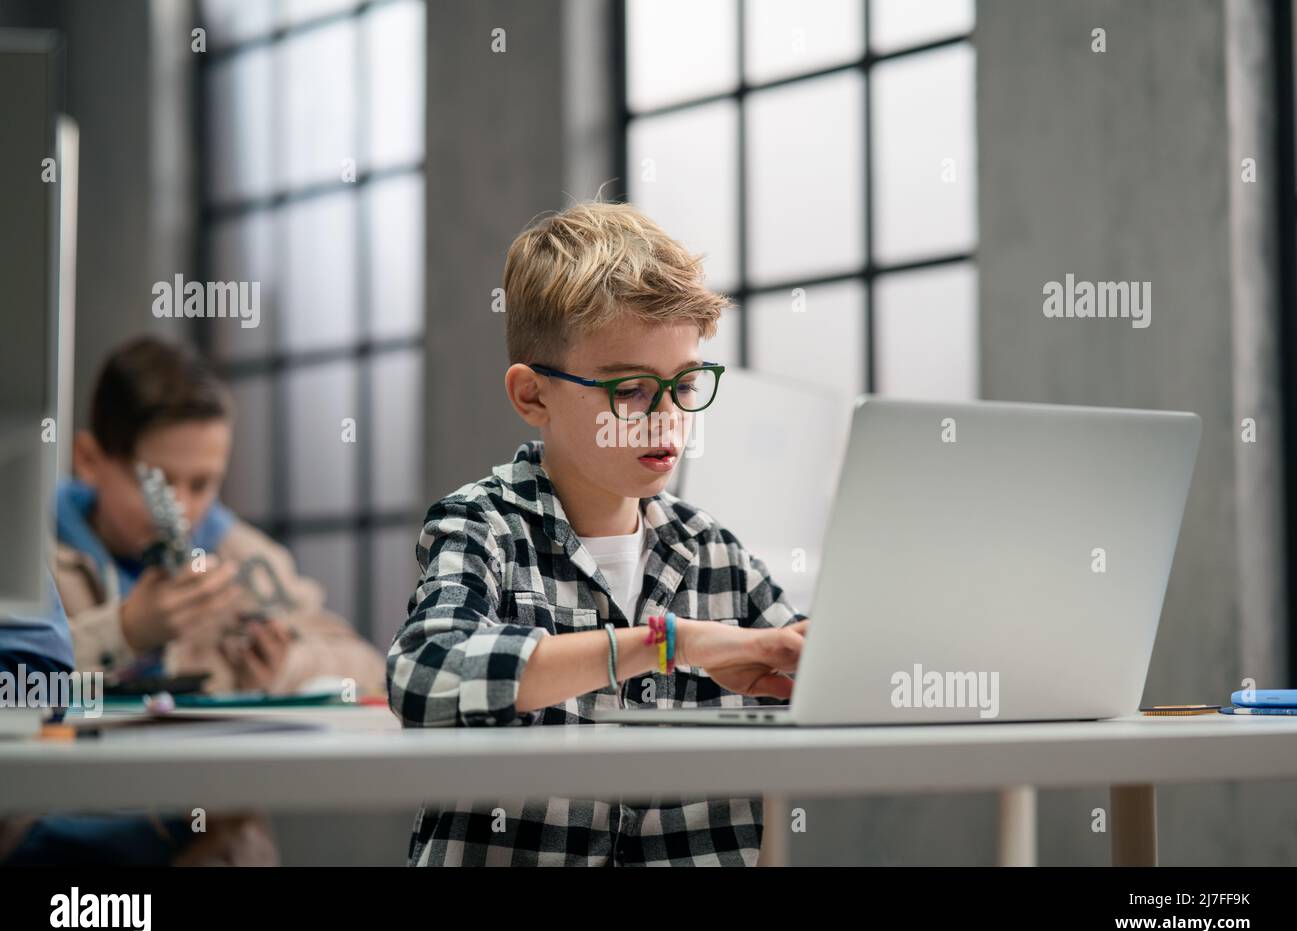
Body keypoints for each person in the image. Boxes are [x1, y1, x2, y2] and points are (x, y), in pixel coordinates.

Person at [388, 201, 807, 866]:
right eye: (633, 390)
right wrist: (667, 643)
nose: (668, 417)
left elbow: (814, 669)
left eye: (687, 383)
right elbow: (423, 676)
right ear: (533, 396)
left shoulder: (715, 553)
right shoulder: (483, 527)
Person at [54, 335, 384, 697]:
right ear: (88, 459)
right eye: (157, 483)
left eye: (200, 485)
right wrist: (125, 631)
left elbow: (368, 668)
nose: (180, 508)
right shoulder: (29, 557)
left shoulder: (244, 558)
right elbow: (13, 679)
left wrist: (284, 665)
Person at [0, 572, 276, 866]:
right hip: (41, 811)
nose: (191, 523)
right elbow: (36, 689)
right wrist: (123, 630)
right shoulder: (52, 555)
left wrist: (273, 669)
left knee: (226, 821)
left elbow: (324, 638)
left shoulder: (215, 548)